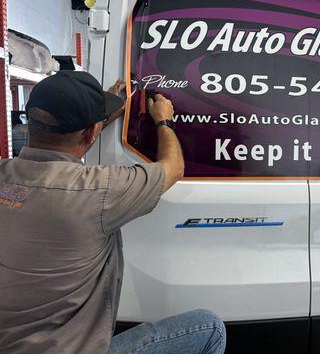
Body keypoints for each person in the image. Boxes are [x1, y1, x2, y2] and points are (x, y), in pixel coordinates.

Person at [0, 71, 226, 354]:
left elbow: (61, 148)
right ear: (92, 133)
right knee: (208, 328)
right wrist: (163, 120)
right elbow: (173, 167)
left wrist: (96, 119)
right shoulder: (99, 192)